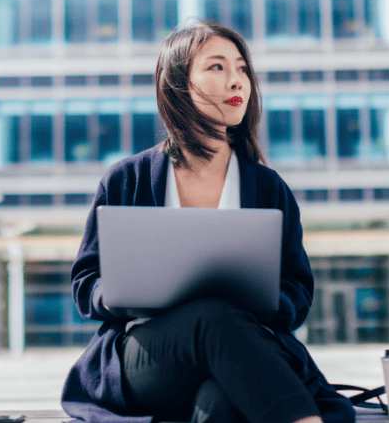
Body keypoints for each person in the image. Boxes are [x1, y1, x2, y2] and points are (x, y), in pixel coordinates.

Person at [61, 21, 356, 423]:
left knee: (221, 399)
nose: (236, 82)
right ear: (178, 84)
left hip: (241, 346)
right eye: (217, 68)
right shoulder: (126, 179)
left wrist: (269, 302)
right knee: (212, 315)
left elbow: (297, 289)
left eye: (241, 69)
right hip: (149, 358)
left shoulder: (268, 188)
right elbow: (85, 283)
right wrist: (116, 292)